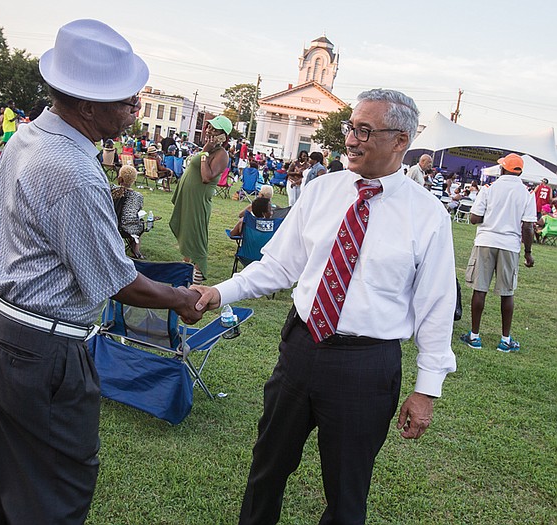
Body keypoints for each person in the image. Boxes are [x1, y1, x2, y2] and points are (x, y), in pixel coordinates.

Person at [0, 19, 203, 525]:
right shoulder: (71, 169)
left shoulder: (30, 136)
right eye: (128, 101)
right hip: (38, 350)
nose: (135, 111)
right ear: (89, 105)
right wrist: (181, 298)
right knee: (55, 489)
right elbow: (116, 280)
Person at [192, 88, 457, 525]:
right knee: (267, 471)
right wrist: (221, 292)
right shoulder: (321, 191)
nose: (351, 139)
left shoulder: (427, 215)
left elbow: (436, 306)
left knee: (347, 492)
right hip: (300, 351)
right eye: (351, 127)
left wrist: (427, 388)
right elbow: (278, 265)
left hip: (366, 366)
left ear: (401, 141)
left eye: (365, 131)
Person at [460, 153, 536, 353]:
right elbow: (528, 227)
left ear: (502, 169)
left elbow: (475, 218)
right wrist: (528, 253)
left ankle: (474, 336)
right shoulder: (527, 193)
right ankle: (505, 339)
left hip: (486, 241)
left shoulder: (488, 189)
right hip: (510, 245)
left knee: (480, 288)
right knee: (507, 292)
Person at [169, 115, 232, 285]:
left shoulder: (221, 154)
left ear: (223, 135)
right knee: (188, 236)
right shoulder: (209, 150)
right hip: (189, 199)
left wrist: (204, 152)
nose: (209, 131)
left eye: (214, 129)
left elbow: (206, 177)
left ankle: (196, 286)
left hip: (198, 202)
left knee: (197, 242)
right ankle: (184, 277)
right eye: (209, 127)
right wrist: (205, 151)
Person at [111, 165, 145, 259]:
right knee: (140, 224)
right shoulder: (137, 196)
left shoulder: (112, 190)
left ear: (119, 178)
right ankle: (136, 251)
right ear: (133, 180)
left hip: (111, 225)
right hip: (125, 229)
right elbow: (134, 213)